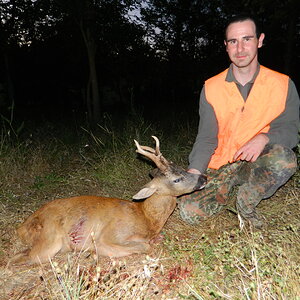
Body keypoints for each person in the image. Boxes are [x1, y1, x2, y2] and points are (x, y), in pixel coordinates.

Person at [178, 14, 300, 229]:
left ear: (260, 40)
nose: (240, 48)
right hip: (222, 164)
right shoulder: (212, 87)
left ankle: (247, 199)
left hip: (257, 160)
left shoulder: (282, 84)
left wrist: (265, 138)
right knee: (188, 212)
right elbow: (206, 138)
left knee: (284, 158)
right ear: (226, 46)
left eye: (247, 39)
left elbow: (290, 130)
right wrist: (194, 173)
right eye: (233, 41)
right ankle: (225, 189)